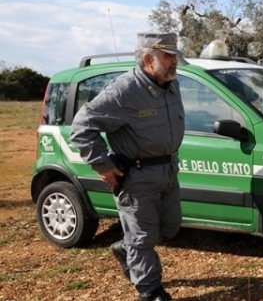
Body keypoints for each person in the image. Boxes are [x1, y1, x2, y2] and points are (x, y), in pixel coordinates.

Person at [70, 32, 185, 301]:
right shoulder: (123, 91)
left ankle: (126, 248)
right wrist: (103, 165)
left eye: (174, 56)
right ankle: (149, 290)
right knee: (144, 238)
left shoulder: (171, 84)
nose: (174, 62)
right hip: (137, 177)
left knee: (170, 228)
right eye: (168, 57)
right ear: (148, 59)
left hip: (168, 171)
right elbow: (81, 127)